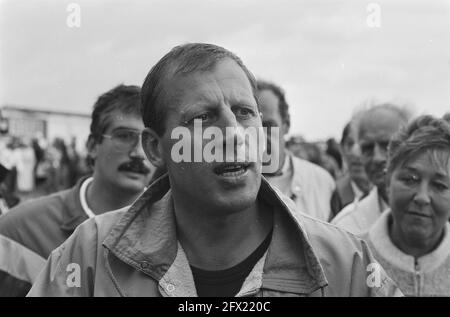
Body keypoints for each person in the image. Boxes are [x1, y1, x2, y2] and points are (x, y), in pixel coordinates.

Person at [28, 43, 400, 297]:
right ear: (156, 148)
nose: (233, 135)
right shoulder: (90, 257)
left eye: (244, 113)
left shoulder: (344, 265)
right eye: (203, 118)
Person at [0, 84, 154, 296]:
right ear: (92, 146)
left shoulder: (180, 233)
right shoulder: (19, 231)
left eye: (149, 141)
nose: (138, 153)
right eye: (124, 136)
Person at [363, 115, 450, 296]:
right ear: (387, 180)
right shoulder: (352, 259)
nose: (422, 197)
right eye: (410, 179)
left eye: (440, 185)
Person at [257, 80, 336, 222]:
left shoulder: (321, 182)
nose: (259, 135)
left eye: (268, 125)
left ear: (286, 124)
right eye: (250, 125)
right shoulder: (228, 186)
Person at [332, 104, 411, 234]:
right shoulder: (345, 228)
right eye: (367, 148)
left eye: (387, 145)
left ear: (411, 145)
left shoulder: (439, 213)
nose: (377, 158)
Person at [330, 122, 372, 219]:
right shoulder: (332, 193)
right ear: (341, 148)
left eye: (364, 145)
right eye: (350, 144)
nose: (355, 153)